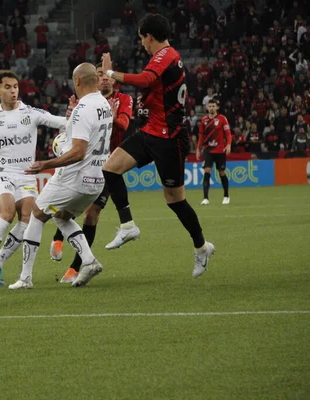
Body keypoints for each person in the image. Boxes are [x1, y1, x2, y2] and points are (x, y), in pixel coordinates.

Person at [101, 13, 215, 279]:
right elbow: (155, 90)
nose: (141, 43)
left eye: (142, 38)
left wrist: (109, 72)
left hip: (170, 138)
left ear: (148, 36)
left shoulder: (165, 55)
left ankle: (201, 248)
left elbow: (145, 80)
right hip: (151, 131)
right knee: (110, 169)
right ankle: (128, 225)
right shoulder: (164, 57)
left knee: (175, 200)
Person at [8, 62, 113, 289]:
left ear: (77, 81)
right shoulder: (104, 104)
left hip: (73, 177)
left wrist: (45, 164)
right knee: (61, 216)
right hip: (97, 179)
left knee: (37, 214)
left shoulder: (82, 109)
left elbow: (78, 152)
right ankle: (89, 261)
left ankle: (25, 278)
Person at [0, 70, 69, 286]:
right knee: (6, 213)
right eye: (7, 87)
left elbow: (61, 122)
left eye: (15, 86)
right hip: (3, 174)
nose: (13, 91)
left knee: (28, 220)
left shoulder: (30, 113)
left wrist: (76, 115)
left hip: (27, 176)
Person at [50, 63, 134, 283]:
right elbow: (69, 132)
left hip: (108, 164)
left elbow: (123, 125)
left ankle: (76, 267)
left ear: (114, 80)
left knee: (92, 213)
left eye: (108, 76)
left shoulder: (123, 100)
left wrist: (111, 116)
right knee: (68, 208)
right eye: (99, 75)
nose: (104, 79)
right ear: (94, 80)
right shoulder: (84, 102)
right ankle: (57, 238)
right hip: (82, 163)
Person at [196, 99, 232, 205]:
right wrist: (198, 149)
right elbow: (201, 136)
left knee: (222, 173)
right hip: (208, 150)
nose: (211, 108)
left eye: (213, 106)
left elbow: (228, 134)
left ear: (217, 107)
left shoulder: (222, 119)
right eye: (210, 106)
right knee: (207, 172)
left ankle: (226, 196)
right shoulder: (203, 120)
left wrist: (228, 144)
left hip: (220, 150)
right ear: (207, 107)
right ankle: (206, 198)